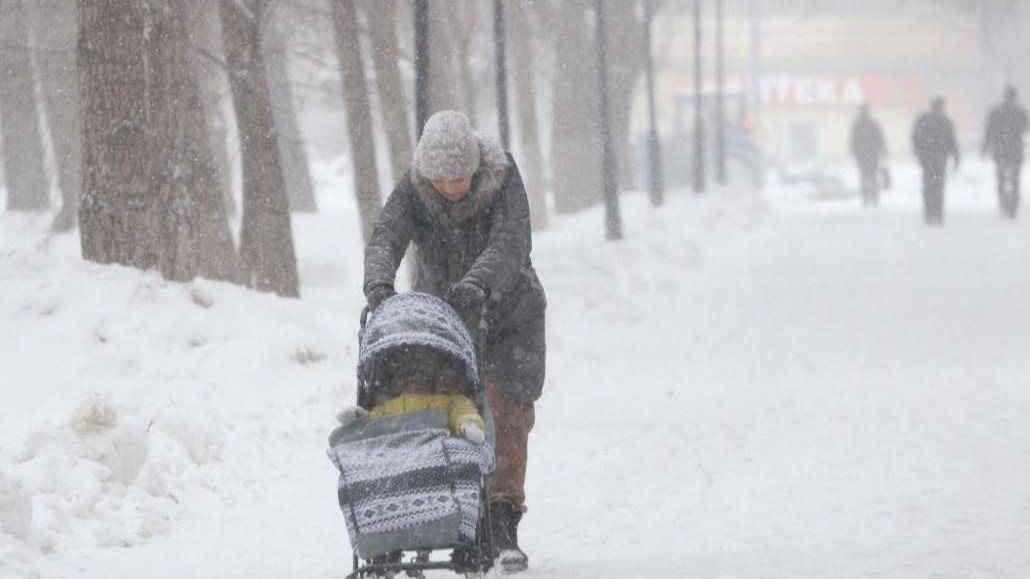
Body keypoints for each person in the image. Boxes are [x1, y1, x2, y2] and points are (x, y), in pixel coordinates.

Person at [363, 110, 546, 574]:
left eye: (459, 178)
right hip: (440, 315)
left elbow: (511, 240)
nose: (450, 187)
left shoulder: (502, 178)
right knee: (437, 406)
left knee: (505, 411)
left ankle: (502, 521)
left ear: (475, 168)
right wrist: (379, 286)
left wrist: (477, 284)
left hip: (508, 314)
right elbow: (387, 235)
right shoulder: (414, 188)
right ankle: (441, 510)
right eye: (440, 179)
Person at [337, 344, 487, 444]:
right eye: (406, 378)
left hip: (438, 455)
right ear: (398, 385)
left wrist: (467, 423)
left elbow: (461, 409)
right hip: (398, 459)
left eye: (418, 377)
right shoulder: (390, 408)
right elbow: (374, 424)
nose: (412, 382)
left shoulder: (443, 402)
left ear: (429, 381)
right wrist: (360, 418)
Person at [982, 85, 1029, 219]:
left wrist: (985, 149)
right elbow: (1026, 128)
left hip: (1001, 151)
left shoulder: (997, 111)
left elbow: (988, 131)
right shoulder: (1020, 112)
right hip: (1014, 151)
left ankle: (1004, 206)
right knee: (1014, 181)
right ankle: (1011, 208)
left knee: (1002, 180)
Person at [912, 97, 960, 226]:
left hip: (927, 159)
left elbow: (915, 138)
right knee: (938, 187)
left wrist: (918, 153)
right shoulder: (945, 121)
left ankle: (929, 214)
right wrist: (956, 157)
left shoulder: (923, 120)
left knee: (928, 187)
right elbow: (952, 141)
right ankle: (937, 214)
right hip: (939, 159)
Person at [849, 105, 888, 206]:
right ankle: (873, 198)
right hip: (871, 154)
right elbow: (880, 138)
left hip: (863, 155)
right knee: (871, 176)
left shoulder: (857, 125)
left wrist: (855, 152)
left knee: (865, 176)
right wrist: (883, 150)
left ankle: (866, 198)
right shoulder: (872, 124)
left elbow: (853, 141)